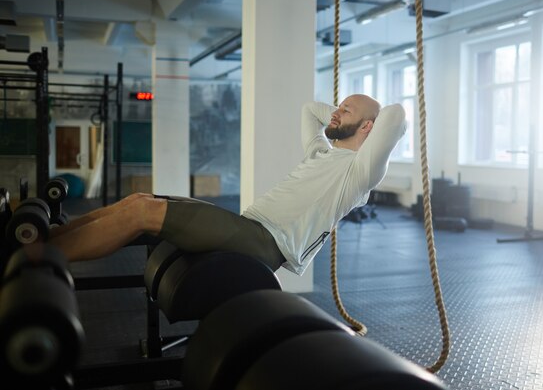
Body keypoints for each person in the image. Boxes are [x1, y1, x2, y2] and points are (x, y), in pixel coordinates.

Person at [48, 94, 407, 275]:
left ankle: (34, 260)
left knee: (143, 212)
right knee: (139, 199)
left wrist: (364, 115)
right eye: (339, 106)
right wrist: (341, 111)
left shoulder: (361, 172)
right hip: (247, 225)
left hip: (266, 243)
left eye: (347, 111)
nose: (336, 112)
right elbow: (309, 110)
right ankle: (47, 238)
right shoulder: (321, 153)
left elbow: (396, 115)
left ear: (368, 128)